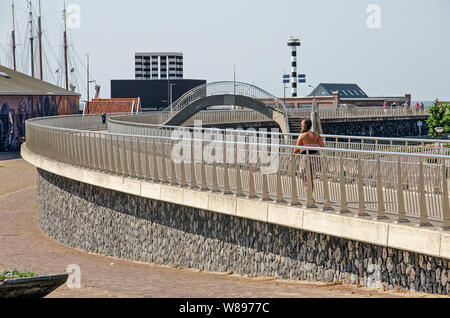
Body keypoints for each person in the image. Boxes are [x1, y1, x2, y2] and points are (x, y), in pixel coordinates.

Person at [292, 118, 325, 193]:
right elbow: (322, 146)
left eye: (302, 125)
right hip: (315, 157)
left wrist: (292, 156)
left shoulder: (302, 136)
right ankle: (311, 192)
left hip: (305, 158)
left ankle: (308, 192)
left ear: (305, 126)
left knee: (304, 175)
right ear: (310, 126)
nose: (301, 126)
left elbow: (296, 149)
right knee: (311, 177)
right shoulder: (316, 135)